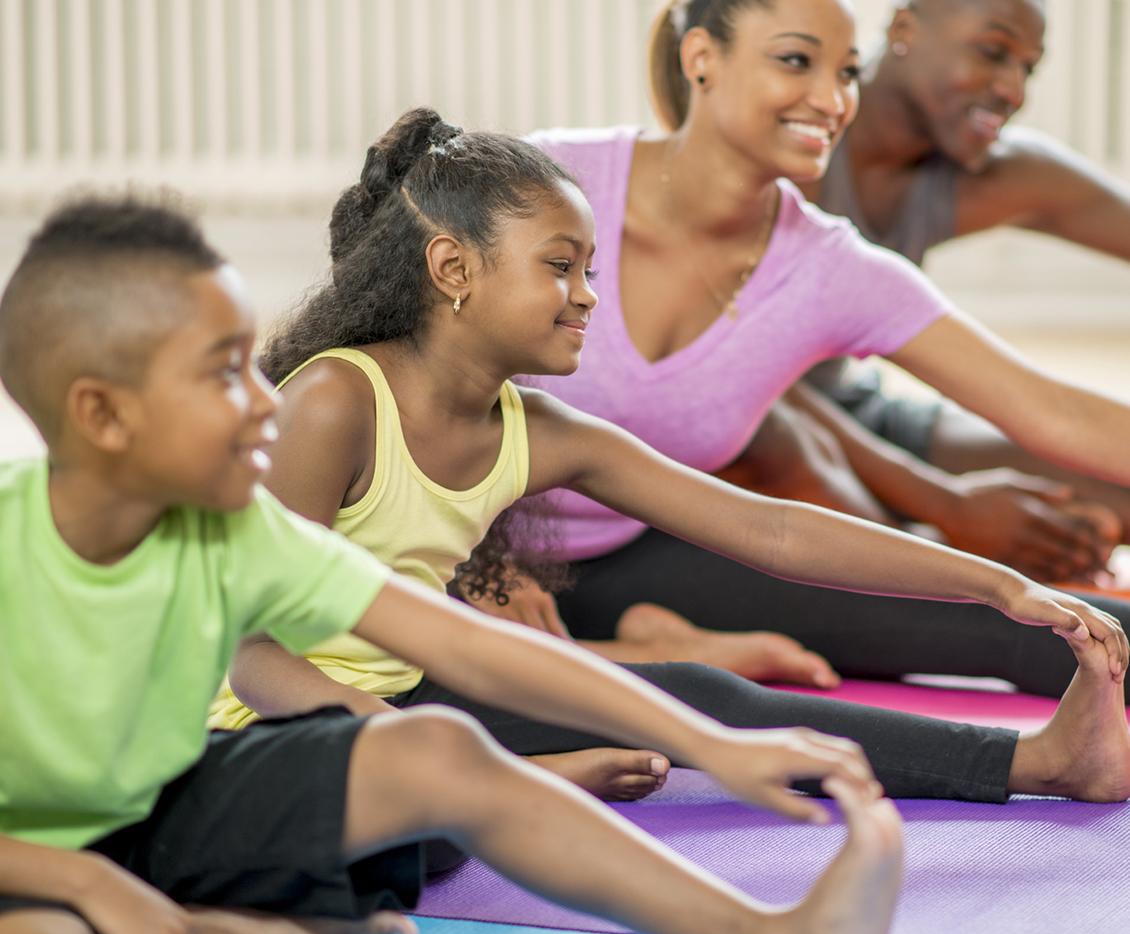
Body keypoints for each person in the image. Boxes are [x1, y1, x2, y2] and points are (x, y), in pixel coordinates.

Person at [0, 196, 930, 934]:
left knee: (436, 745)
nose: (262, 402)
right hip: (22, 866)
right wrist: (78, 880)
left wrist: (713, 742)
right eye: (223, 375)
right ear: (103, 415)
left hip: (154, 815)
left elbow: (468, 647)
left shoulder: (231, 534)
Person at [209, 108, 1130, 819]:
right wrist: (481, 768)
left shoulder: (537, 428)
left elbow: (771, 531)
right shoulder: (334, 403)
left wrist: (998, 584)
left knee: (693, 699)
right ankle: (501, 790)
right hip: (263, 729)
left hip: (404, 697)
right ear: (454, 269)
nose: (586, 298)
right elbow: (254, 660)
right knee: (426, 836)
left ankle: (1041, 762)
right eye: (561, 268)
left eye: (590, 270)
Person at [470, 0, 1130, 693]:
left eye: (847, 71)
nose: (831, 97)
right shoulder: (552, 181)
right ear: (701, 58)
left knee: (1023, 623)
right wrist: (472, 562)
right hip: (449, 549)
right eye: (796, 61)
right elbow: (393, 370)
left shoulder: (829, 266)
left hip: (631, 552)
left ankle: (641, 643)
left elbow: (1048, 407)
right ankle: (647, 653)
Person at [782, 0, 1130, 576]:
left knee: (1110, 496)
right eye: (993, 53)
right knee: (861, 527)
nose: (1013, 89)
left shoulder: (987, 175)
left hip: (865, 416)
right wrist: (949, 509)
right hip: (763, 433)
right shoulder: (794, 152)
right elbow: (735, 398)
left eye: (1029, 67)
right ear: (904, 29)